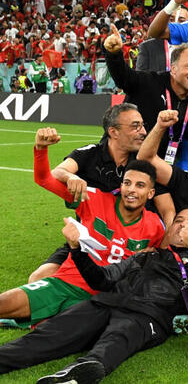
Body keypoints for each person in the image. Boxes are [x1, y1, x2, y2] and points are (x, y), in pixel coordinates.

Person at [0, 208, 188, 383]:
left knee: (119, 337)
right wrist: (77, 249)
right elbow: (102, 279)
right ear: (169, 230)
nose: (183, 225)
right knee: (51, 334)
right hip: (107, 302)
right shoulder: (144, 257)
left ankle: (77, 376)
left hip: (148, 315)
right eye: (178, 220)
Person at [0, 129, 165, 328]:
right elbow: (44, 179)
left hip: (105, 301)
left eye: (140, 186)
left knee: (57, 330)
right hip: (68, 284)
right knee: (6, 303)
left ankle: (38, 320)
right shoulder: (93, 198)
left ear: (150, 193)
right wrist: (41, 149)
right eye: (127, 183)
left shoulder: (155, 226)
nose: (131, 190)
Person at [30, 104, 175, 283]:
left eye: (143, 125)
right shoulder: (90, 153)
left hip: (132, 244)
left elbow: (167, 209)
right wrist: (69, 176)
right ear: (113, 132)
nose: (143, 132)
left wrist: (166, 248)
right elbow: (55, 174)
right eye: (135, 126)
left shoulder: (143, 163)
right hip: (89, 239)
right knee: (38, 279)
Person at [104, 26, 188, 158]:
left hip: (162, 167)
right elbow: (123, 77)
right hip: (125, 162)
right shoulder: (149, 82)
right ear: (173, 69)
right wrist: (114, 54)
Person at [135, 5, 188, 73]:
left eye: (181, 21)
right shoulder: (148, 47)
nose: (175, 24)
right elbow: (140, 79)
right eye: (171, 20)